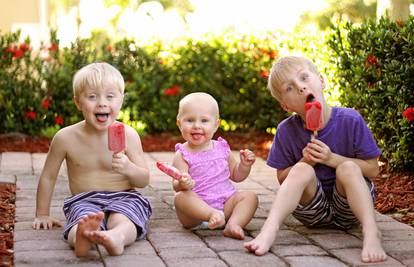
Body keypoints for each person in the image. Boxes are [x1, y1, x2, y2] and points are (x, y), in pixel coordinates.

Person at [244, 56, 387, 263]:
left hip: (351, 209)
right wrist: (305, 161)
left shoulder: (351, 119)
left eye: (304, 78)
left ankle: (372, 232)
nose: (301, 87)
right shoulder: (286, 131)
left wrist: (332, 158)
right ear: (285, 105)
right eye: (290, 88)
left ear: (321, 80)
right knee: (301, 170)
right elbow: (283, 177)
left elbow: (373, 170)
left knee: (347, 167)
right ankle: (269, 229)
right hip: (312, 213)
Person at [32, 62, 152, 257]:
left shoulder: (129, 135)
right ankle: (81, 238)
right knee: (80, 220)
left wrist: (129, 168)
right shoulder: (65, 138)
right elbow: (48, 176)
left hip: (124, 196)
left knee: (125, 219)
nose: (102, 103)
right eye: (92, 97)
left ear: (121, 101)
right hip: (84, 199)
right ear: (78, 102)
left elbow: (144, 180)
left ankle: (116, 236)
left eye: (110, 96)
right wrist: (42, 214)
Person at [171, 92, 258, 240]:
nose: (197, 126)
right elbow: (176, 185)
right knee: (180, 197)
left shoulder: (222, 148)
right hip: (196, 213)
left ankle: (234, 224)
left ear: (216, 125)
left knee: (250, 197)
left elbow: (236, 175)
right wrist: (182, 182)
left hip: (225, 205)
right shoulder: (182, 154)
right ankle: (212, 214)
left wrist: (244, 165)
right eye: (190, 120)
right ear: (179, 123)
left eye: (204, 121)